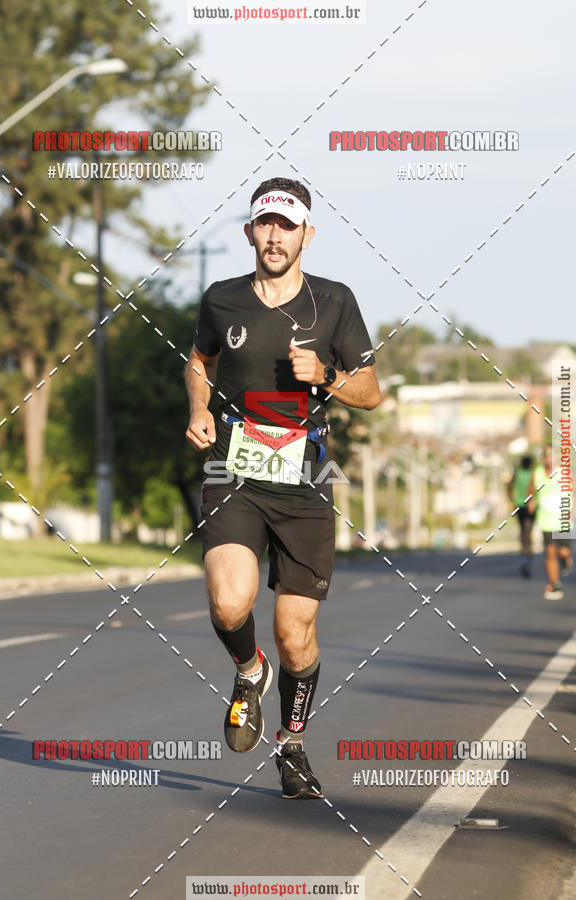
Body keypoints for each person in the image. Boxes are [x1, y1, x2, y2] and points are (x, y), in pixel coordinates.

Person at [185, 177, 381, 798]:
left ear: (307, 235)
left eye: (287, 225)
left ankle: (292, 746)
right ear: (250, 232)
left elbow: (372, 393)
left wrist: (327, 376)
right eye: (265, 224)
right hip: (233, 467)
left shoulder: (335, 302)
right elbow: (199, 361)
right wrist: (198, 409)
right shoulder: (221, 300)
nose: (275, 235)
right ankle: (249, 671)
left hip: (307, 475)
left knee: (296, 632)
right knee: (228, 603)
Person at [529, 444, 573, 600]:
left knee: (563, 552)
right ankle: (555, 584)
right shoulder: (538, 473)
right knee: (550, 552)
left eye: (551, 454)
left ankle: (566, 559)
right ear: (543, 458)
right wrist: (532, 502)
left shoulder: (564, 473)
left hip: (563, 519)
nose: (549, 457)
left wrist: (572, 510)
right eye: (546, 454)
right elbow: (531, 492)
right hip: (546, 520)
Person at [507, 454, 535, 577]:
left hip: (524, 504)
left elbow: (509, 486)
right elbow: (509, 486)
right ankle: (526, 552)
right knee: (526, 530)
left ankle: (525, 551)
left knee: (524, 530)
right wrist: (511, 498)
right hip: (524, 505)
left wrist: (511, 498)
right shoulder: (529, 473)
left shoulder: (519, 473)